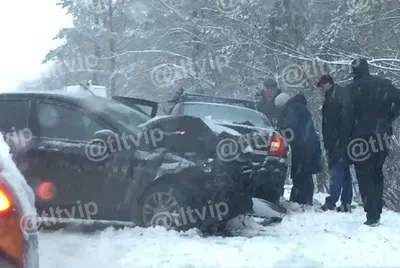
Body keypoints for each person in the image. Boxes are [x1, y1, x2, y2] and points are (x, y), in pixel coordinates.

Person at [347, 58, 400, 226]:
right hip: (381, 135)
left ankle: (371, 213)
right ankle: (376, 211)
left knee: (364, 174)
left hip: (359, 138)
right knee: (377, 172)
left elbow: (345, 117)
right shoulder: (383, 84)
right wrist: (390, 117)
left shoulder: (350, 90)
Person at [275, 92, 322, 205]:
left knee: (300, 172)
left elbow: (291, 125)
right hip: (308, 144)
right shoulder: (298, 106)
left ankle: (300, 199)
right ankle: (304, 199)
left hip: (302, 146)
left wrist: (280, 132)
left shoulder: (292, 108)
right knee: (305, 173)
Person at [317, 75, 354, 213]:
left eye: (323, 85)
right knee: (344, 171)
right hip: (341, 140)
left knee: (337, 171)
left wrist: (337, 140)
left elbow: (338, 122)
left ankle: (332, 201)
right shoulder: (336, 95)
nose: (322, 88)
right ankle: (346, 202)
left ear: (329, 83)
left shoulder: (335, 98)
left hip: (337, 141)